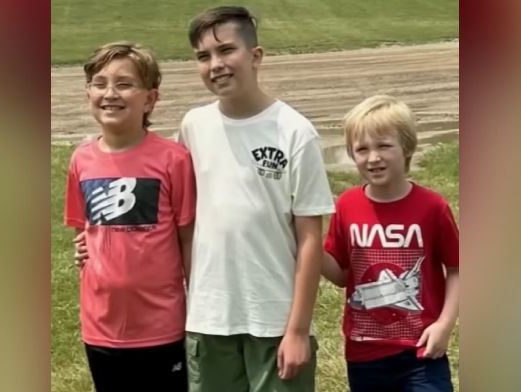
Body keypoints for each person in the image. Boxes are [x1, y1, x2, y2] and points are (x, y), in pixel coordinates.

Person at [178, 6, 335, 392]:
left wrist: (297, 330)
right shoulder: (193, 126)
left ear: (256, 56)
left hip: (275, 319)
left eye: (226, 50)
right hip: (210, 318)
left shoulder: (294, 131)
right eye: (203, 56)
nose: (215, 64)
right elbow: (180, 220)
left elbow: (310, 238)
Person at [64, 41, 196, 392]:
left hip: (161, 326)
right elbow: (84, 231)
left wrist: (197, 308)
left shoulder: (173, 159)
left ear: (150, 99)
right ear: (88, 92)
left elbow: (187, 238)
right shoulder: (81, 160)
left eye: (125, 84)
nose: (110, 93)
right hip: (101, 326)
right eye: (100, 83)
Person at [321, 95, 459, 392]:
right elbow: (344, 275)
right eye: (362, 149)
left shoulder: (432, 207)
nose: (373, 157)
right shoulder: (346, 205)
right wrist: (306, 247)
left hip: (422, 351)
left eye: (384, 145)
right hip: (364, 354)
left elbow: (458, 268)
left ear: (407, 147)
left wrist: (444, 325)